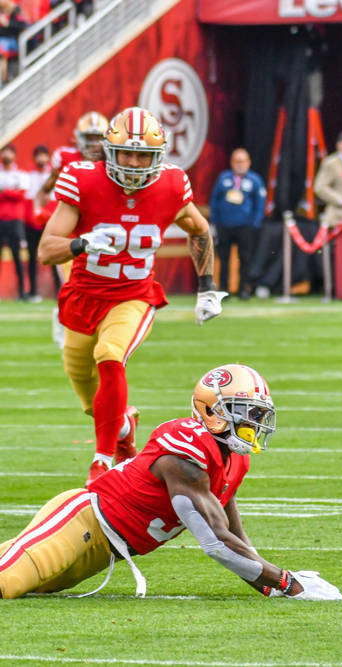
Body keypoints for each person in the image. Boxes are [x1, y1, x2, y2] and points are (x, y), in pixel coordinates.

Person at [0, 364, 342, 602]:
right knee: (8, 581)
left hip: (106, 552)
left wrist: (272, 587)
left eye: (257, 413)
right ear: (213, 410)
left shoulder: (235, 459)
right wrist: (288, 581)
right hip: (83, 521)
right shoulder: (186, 445)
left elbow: (235, 536)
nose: (254, 421)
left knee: (21, 583)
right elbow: (216, 543)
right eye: (246, 411)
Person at [39, 106, 227, 484]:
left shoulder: (171, 184)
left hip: (134, 295)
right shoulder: (82, 179)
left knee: (110, 355)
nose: (135, 162)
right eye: (127, 152)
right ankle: (123, 427)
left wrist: (206, 288)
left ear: (158, 157)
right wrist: (81, 244)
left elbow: (199, 229)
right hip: (83, 296)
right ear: (110, 151)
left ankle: (103, 460)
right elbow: (46, 250)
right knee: (86, 388)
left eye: (143, 155)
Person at [209, 148, 266, 300]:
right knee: (224, 258)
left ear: (248, 162)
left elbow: (260, 204)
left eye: (243, 161)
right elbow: (214, 200)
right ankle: (224, 289)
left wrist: (255, 223)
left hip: (245, 226)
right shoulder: (224, 178)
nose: (240, 165)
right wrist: (215, 222)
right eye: (237, 161)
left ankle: (244, 289)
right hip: (225, 225)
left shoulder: (254, 180)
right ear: (232, 162)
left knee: (245, 258)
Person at [39, 112, 109, 203]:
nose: (93, 143)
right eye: (89, 138)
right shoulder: (64, 156)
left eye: (98, 138)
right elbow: (45, 190)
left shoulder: (111, 160)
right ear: (79, 136)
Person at [23, 145, 51, 302]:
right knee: (32, 257)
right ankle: (33, 291)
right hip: (33, 223)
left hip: (50, 221)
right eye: (39, 155)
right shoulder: (29, 175)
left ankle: (59, 289)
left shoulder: (53, 175)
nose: (42, 159)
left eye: (44, 155)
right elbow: (28, 198)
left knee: (54, 257)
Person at [0, 143, 27, 301]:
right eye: (4, 153)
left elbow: (21, 195)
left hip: (15, 221)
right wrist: (12, 191)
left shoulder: (20, 175)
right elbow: (15, 194)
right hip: (0, 220)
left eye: (9, 152)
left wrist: (4, 192)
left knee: (18, 257)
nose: (7, 156)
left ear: (14, 155)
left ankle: (22, 292)